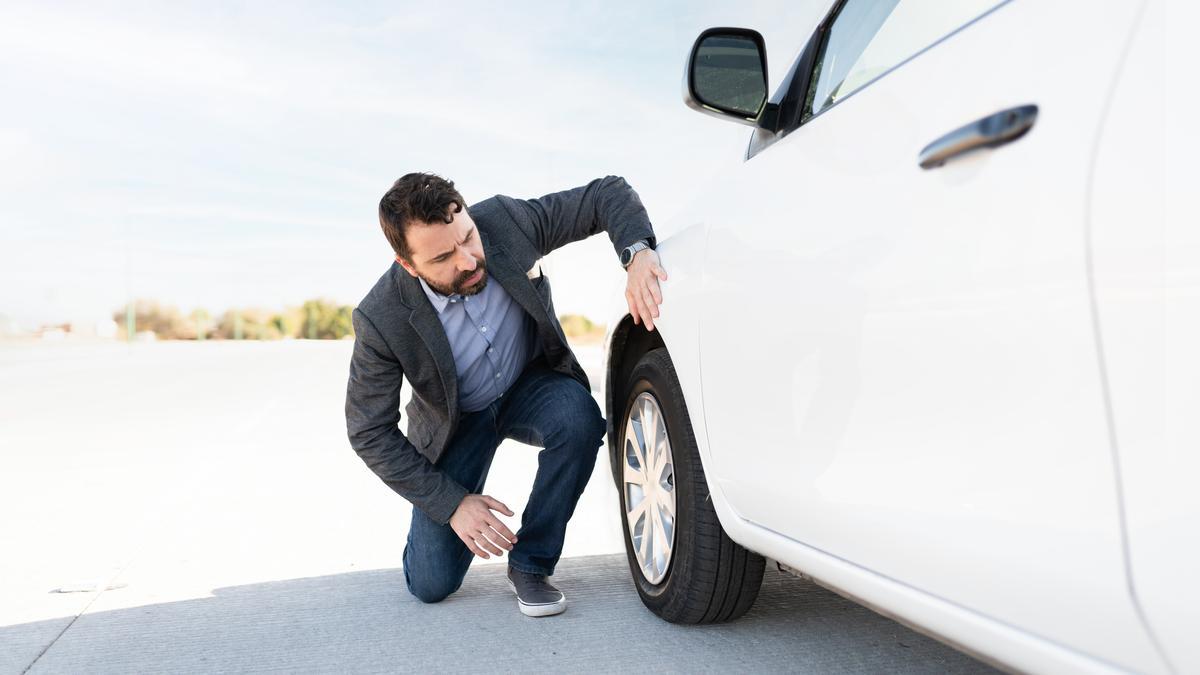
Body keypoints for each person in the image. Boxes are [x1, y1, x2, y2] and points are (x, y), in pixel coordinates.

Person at [344, 173, 666, 617]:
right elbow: (369, 431)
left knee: (579, 419)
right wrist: (451, 503)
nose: (468, 259)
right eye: (442, 257)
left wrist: (638, 254)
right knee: (431, 584)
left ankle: (532, 563)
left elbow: (604, 194)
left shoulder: (506, 222)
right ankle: (434, 536)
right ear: (408, 265)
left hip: (528, 384)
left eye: (468, 238)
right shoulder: (381, 318)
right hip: (457, 424)